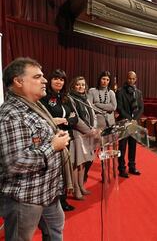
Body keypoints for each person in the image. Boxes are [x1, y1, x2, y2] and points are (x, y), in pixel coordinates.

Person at [0, 57, 70, 240]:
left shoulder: (35, 106)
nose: (45, 80)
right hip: (25, 197)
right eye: (38, 76)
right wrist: (53, 147)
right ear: (18, 81)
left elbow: (41, 138)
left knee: (55, 230)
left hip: (48, 192)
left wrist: (56, 138)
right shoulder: (12, 114)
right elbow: (15, 163)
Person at [40, 69, 78, 212]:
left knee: (65, 171)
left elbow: (75, 118)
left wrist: (64, 120)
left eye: (61, 79)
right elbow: (46, 118)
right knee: (55, 171)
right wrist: (55, 120)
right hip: (52, 139)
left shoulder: (66, 97)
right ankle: (53, 202)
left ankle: (63, 201)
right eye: (56, 78)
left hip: (67, 137)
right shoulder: (44, 97)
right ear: (50, 80)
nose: (59, 81)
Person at [68, 76, 97, 200]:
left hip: (88, 133)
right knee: (77, 162)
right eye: (78, 84)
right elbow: (76, 119)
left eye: (83, 85)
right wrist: (89, 130)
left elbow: (93, 115)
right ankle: (75, 189)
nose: (81, 87)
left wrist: (94, 128)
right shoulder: (70, 98)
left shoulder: (86, 98)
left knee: (84, 162)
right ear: (73, 85)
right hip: (78, 133)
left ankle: (81, 185)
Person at [116, 71, 144, 178]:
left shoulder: (138, 92)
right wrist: (129, 119)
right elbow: (119, 107)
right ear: (126, 78)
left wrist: (135, 119)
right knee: (122, 147)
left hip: (134, 123)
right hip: (124, 123)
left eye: (133, 79)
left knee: (133, 146)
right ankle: (122, 169)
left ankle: (132, 167)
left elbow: (141, 108)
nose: (131, 81)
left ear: (136, 79)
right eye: (129, 79)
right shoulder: (120, 91)